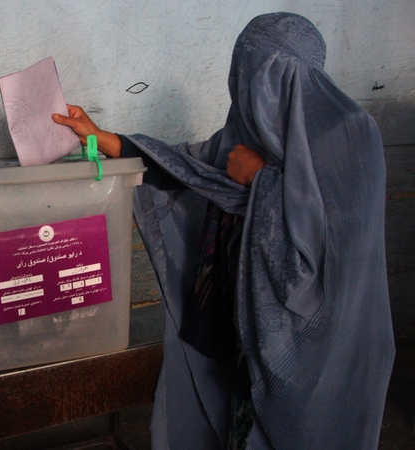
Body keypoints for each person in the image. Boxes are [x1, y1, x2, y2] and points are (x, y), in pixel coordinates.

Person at [54, 12, 394, 450]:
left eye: (254, 71)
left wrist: (261, 179)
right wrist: (98, 136)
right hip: (244, 327)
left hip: (319, 346)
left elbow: (335, 238)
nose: (245, 84)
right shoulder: (244, 130)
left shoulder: (348, 133)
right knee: (242, 428)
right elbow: (186, 166)